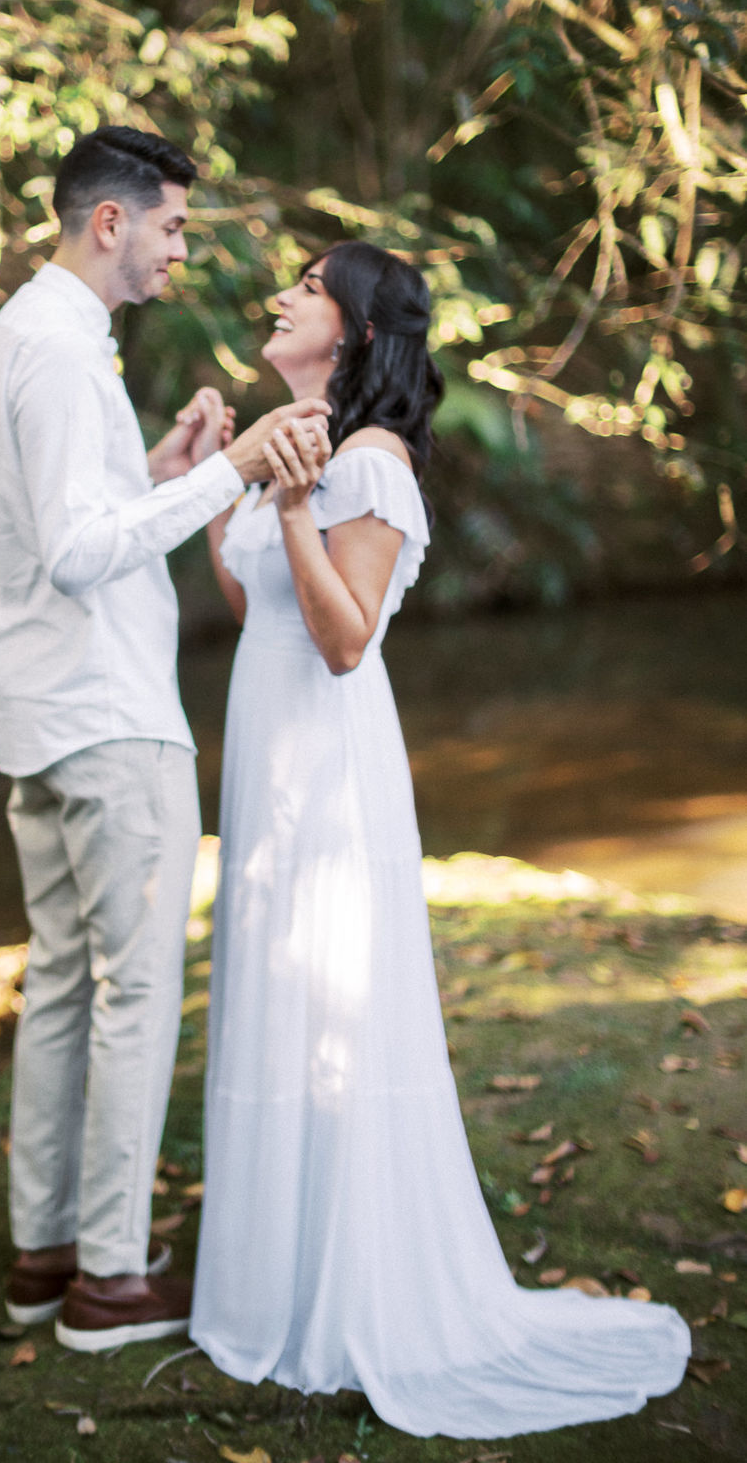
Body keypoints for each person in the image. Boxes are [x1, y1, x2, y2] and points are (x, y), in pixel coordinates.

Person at [189, 240, 691, 1437]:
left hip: (328, 763)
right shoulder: (297, 439)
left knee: (328, 1004)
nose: (281, 295)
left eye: (309, 287)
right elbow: (255, 605)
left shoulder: (370, 461)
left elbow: (343, 637)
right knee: (271, 993)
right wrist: (225, 487)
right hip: (268, 756)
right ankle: (268, 1282)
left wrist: (293, 506)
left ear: (358, 331)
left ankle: (346, 1289)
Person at [0, 126, 329, 1353]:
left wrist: (165, 469)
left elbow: (72, 526)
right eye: (171, 226)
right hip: (110, 718)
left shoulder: (29, 334)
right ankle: (111, 1280)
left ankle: (46, 1254)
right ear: (109, 221)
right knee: (133, 992)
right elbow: (78, 558)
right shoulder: (64, 351)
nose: (181, 250)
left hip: (44, 714)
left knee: (68, 983)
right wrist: (229, 471)